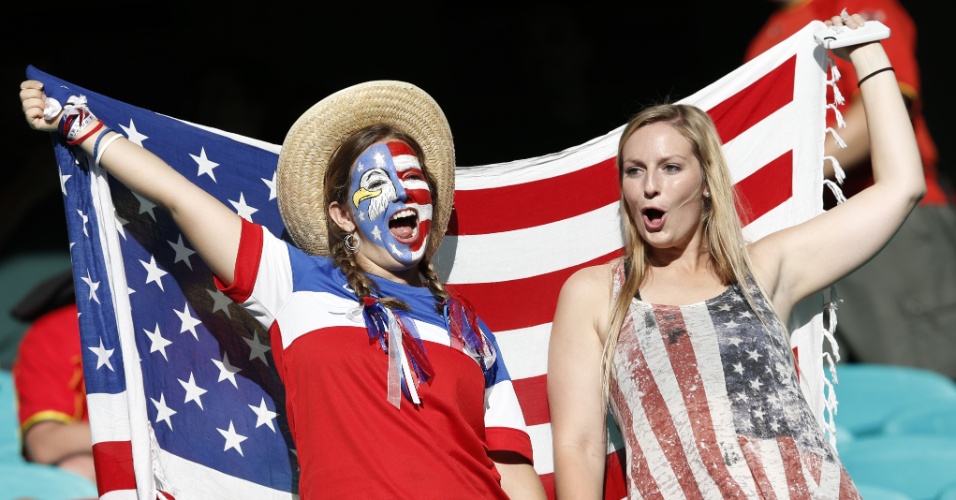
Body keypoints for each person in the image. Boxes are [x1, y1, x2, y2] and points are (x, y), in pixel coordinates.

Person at [19, 79, 546, 499]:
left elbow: (511, 469)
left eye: (414, 179)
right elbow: (178, 196)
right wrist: (75, 124)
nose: (403, 192)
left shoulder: (467, 325)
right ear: (342, 215)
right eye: (378, 182)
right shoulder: (294, 280)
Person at [547, 12, 922, 499]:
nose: (650, 187)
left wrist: (867, 53)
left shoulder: (762, 269)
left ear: (705, 184)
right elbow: (579, 445)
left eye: (670, 167)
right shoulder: (596, 294)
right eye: (634, 171)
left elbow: (901, 187)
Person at [746, 0, 956, 379]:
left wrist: (790, 175)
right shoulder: (768, 31)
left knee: (923, 384)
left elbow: (890, 101)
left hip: (890, 222)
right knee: (837, 394)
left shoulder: (854, 3)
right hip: (806, 232)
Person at [11, 270, 96, 486]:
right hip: (101, 465)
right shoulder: (62, 329)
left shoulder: (185, 320)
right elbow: (45, 444)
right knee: (78, 468)